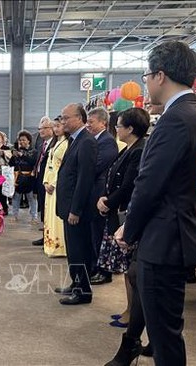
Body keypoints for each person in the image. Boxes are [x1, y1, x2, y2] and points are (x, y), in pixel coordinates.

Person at [114, 41, 196, 366]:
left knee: (166, 337)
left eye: (146, 76)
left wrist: (129, 229)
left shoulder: (176, 119)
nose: (145, 83)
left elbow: (149, 184)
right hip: (174, 234)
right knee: (166, 331)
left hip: (164, 238)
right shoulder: (193, 114)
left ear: (160, 75)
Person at [94, 108, 149, 328]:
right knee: (127, 269)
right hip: (117, 209)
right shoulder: (128, 149)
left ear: (130, 128)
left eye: (118, 126)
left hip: (127, 213)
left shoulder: (139, 151)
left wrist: (108, 201)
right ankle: (129, 309)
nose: (115, 129)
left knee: (131, 269)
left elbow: (129, 185)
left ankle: (133, 313)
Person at [54, 103, 97, 305]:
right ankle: (76, 283)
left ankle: (83, 292)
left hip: (76, 209)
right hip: (69, 206)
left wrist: (75, 209)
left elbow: (84, 179)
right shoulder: (74, 140)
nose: (62, 122)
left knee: (80, 250)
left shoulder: (86, 142)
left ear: (79, 118)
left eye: (65, 118)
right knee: (73, 250)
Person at [85, 107, 119, 284]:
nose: (88, 125)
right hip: (92, 193)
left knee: (100, 233)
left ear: (103, 123)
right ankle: (94, 267)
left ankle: (103, 271)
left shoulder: (107, 142)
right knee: (93, 233)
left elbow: (96, 166)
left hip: (100, 193)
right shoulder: (93, 140)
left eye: (91, 122)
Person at [42, 116, 68, 257]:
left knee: (57, 216)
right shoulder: (55, 143)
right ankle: (50, 243)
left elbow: (65, 168)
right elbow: (48, 165)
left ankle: (60, 247)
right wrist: (46, 181)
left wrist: (53, 183)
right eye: (55, 126)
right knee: (49, 214)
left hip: (59, 184)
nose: (56, 129)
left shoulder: (67, 143)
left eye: (59, 126)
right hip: (49, 182)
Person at [31, 117, 55, 246]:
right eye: (39, 128)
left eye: (44, 128)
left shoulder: (55, 144)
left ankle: (48, 237)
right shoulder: (41, 143)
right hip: (40, 179)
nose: (41, 131)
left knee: (48, 208)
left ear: (51, 129)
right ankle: (45, 235)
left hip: (50, 182)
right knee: (42, 207)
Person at [9, 131, 38, 223]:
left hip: (29, 177)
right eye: (20, 140)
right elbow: (11, 164)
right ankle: (15, 215)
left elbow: (33, 162)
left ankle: (34, 216)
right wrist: (13, 156)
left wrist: (23, 155)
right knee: (16, 197)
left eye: (24, 140)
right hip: (18, 177)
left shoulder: (33, 151)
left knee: (31, 198)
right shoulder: (16, 151)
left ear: (29, 141)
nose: (21, 142)